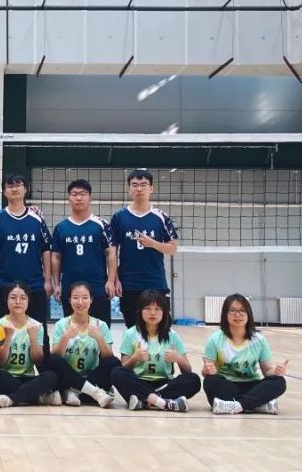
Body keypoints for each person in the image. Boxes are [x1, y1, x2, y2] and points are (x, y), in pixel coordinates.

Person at [0, 173, 52, 334]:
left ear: (26, 189)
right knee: (4, 334)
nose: (14, 189)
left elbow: (46, 250)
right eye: (10, 186)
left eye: (18, 185)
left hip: (34, 284)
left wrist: (48, 280)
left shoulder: (37, 218)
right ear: (4, 192)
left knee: (38, 333)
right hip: (4, 284)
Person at [110, 168, 179, 326]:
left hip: (155, 282)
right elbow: (112, 251)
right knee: (133, 330)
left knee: (160, 331)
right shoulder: (119, 217)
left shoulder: (162, 217)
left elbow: (173, 249)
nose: (139, 189)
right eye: (135, 185)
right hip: (128, 284)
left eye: (143, 184)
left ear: (151, 188)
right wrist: (115, 279)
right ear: (129, 189)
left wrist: (152, 243)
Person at [111, 290, 200, 412]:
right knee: (116, 373)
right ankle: (163, 402)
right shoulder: (130, 334)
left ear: (164, 312)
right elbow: (124, 367)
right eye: (148, 308)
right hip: (139, 381)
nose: (153, 313)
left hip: (164, 383)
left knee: (194, 380)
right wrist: (134, 358)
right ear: (140, 311)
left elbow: (187, 371)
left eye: (158, 309)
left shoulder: (172, 335)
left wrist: (178, 359)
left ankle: (145, 402)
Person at [202, 294, 287, 415]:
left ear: (248, 314)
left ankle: (236, 406)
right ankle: (255, 405)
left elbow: (267, 371)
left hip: (251, 386)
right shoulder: (215, 339)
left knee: (279, 382)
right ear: (225, 314)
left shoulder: (259, 340)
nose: (237, 315)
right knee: (210, 381)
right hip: (227, 386)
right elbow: (205, 372)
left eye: (242, 311)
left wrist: (276, 372)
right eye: (232, 311)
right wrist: (207, 370)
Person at [51, 178, 117, 325]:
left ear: (90, 198)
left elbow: (111, 253)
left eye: (83, 194)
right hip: (70, 288)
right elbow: (56, 257)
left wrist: (111, 281)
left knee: (100, 330)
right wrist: (56, 284)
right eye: (74, 194)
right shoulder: (61, 227)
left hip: (98, 287)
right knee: (73, 330)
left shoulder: (102, 225)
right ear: (69, 198)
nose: (79, 198)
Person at [43, 282, 118, 408]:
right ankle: (93, 393)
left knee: (114, 362)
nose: (80, 302)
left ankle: (73, 393)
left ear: (91, 300)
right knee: (52, 360)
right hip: (67, 378)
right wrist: (66, 337)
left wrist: (99, 338)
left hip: (92, 377)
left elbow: (108, 357)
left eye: (85, 297)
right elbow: (56, 356)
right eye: (76, 298)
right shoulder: (62, 324)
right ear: (70, 300)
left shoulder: (100, 325)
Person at [0, 283, 60, 407]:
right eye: (13, 297)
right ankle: (36, 397)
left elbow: (38, 361)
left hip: (28, 377)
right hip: (7, 377)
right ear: (6, 300)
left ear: (28, 301)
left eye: (22, 298)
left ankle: (11, 398)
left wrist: (33, 338)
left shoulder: (36, 326)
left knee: (51, 376)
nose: (18, 302)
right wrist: (8, 338)